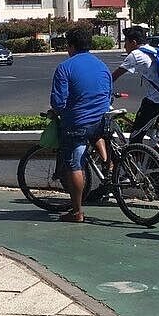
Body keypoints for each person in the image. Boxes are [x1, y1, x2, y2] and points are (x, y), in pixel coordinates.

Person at [49, 26, 112, 222]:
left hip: (77, 123)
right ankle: (108, 164)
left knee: (74, 165)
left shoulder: (65, 67)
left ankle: (77, 212)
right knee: (96, 132)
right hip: (101, 119)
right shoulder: (102, 65)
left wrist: (56, 112)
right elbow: (108, 94)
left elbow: (58, 102)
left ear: (71, 46)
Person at [112, 26, 159, 142]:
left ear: (134, 42)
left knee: (135, 138)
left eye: (126, 43)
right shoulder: (154, 50)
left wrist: (100, 88)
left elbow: (115, 76)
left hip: (157, 101)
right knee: (157, 130)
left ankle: (138, 151)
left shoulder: (136, 54)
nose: (125, 47)